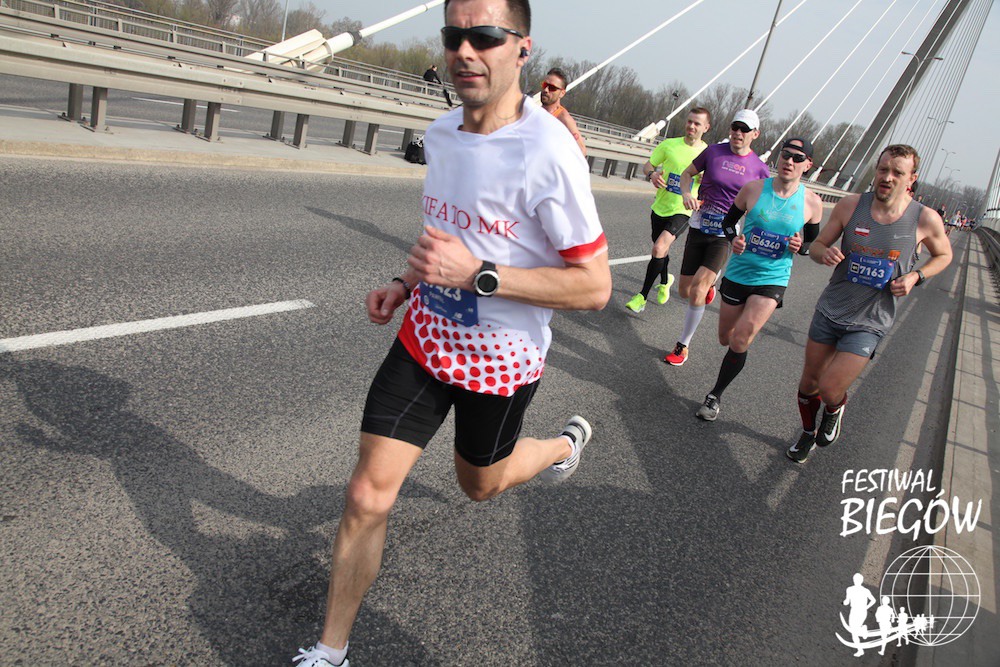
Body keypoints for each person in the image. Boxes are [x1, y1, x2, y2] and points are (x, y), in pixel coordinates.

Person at [293, 1, 611, 665]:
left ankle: (561, 445)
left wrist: (479, 276)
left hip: (500, 363)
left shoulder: (549, 152)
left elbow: (593, 286)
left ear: (521, 48)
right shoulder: (440, 134)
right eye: (454, 35)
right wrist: (406, 283)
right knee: (366, 494)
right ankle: (329, 650)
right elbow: (445, 236)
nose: (466, 50)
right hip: (426, 339)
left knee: (480, 485)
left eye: (485, 36)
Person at [786, 144, 952, 463]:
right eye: (883, 169)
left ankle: (834, 408)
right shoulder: (851, 205)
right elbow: (816, 246)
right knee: (808, 384)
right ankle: (807, 434)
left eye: (897, 173)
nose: (887, 177)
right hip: (831, 309)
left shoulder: (924, 218)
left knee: (830, 388)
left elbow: (944, 255)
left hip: (870, 320)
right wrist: (825, 253)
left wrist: (916, 276)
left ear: (911, 179)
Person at [695, 138, 824, 421]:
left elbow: (811, 244)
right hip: (740, 272)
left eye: (797, 158)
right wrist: (734, 240)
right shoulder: (753, 189)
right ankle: (720, 303)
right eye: (786, 155)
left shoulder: (812, 202)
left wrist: (800, 246)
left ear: (808, 165)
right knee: (725, 338)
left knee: (741, 339)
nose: (789, 161)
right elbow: (728, 223)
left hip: (773, 278)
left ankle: (714, 396)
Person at [662, 108, 771, 366]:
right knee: (685, 290)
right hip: (699, 226)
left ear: (755, 134)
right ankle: (711, 285)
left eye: (745, 130)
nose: (738, 133)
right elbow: (687, 175)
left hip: (725, 234)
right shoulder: (713, 152)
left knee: (698, 290)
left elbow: (765, 205)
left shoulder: (760, 169)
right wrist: (686, 193)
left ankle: (682, 346)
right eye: (735, 127)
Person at [625, 107, 712, 314]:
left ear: (706, 128)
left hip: (684, 209)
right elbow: (648, 165)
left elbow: (715, 185)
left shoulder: (709, 154)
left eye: (697, 123)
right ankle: (665, 280)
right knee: (660, 250)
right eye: (689, 121)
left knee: (659, 247)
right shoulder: (669, 144)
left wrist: (705, 180)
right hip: (660, 206)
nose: (691, 126)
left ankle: (641, 297)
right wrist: (652, 175)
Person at [539, 67, 587, 155]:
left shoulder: (564, 119)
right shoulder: (534, 112)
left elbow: (581, 151)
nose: (546, 90)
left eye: (552, 88)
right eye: (545, 85)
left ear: (562, 93)